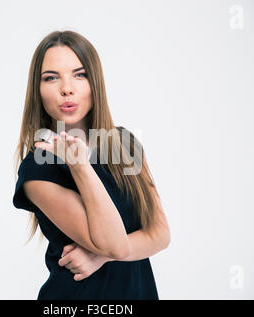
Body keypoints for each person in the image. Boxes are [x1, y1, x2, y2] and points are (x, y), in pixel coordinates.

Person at [12, 30, 171, 300]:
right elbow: (115, 246)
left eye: (80, 74)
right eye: (51, 78)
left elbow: (160, 233)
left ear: (95, 82)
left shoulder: (124, 143)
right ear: (37, 90)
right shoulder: (38, 170)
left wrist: (100, 258)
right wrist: (81, 167)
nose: (67, 88)